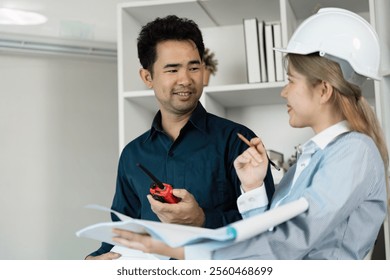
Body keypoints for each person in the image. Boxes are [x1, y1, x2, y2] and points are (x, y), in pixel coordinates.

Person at [111, 8, 389, 260]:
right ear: (147, 77)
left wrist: (179, 248)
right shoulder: (314, 157)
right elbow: (269, 232)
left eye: (290, 81)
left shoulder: (354, 153)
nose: (283, 91)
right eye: (172, 69)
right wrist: (254, 189)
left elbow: (287, 243)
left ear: (324, 90)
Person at [86, 15, 275, 259]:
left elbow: (267, 225)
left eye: (194, 67)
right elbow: (122, 232)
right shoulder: (133, 154)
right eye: (172, 69)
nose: (186, 79)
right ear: (147, 77)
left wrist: (202, 219)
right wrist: (92, 260)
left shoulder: (238, 141)